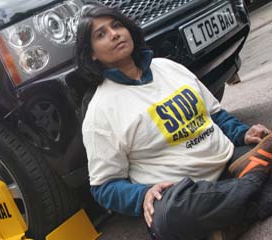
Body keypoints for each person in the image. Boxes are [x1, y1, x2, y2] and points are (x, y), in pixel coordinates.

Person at [76, 4, 272, 240]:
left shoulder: (168, 68)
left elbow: (215, 114)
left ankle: (230, 218)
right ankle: (255, 180)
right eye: (101, 34)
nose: (114, 34)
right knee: (168, 217)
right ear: (92, 54)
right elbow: (103, 187)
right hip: (187, 194)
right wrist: (142, 195)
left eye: (117, 25)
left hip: (229, 160)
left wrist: (243, 134)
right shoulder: (100, 112)